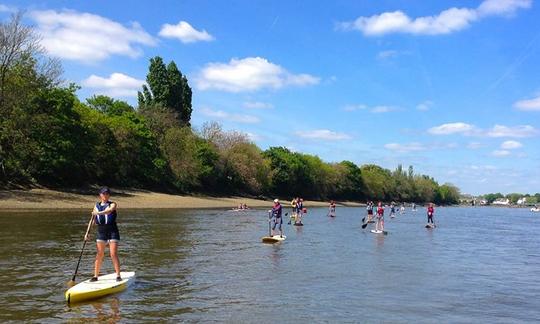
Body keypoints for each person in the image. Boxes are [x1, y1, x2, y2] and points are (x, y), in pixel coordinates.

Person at [85, 187, 121, 282]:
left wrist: (98, 213)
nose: (105, 195)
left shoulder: (113, 204)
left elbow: (109, 211)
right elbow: (92, 220)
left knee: (113, 253)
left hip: (112, 231)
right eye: (103, 194)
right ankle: (95, 276)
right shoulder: (96, 205)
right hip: (101, 231)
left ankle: (118, 275)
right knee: (99, 254)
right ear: (100, 195)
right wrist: (87, 233)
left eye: (107, 194)